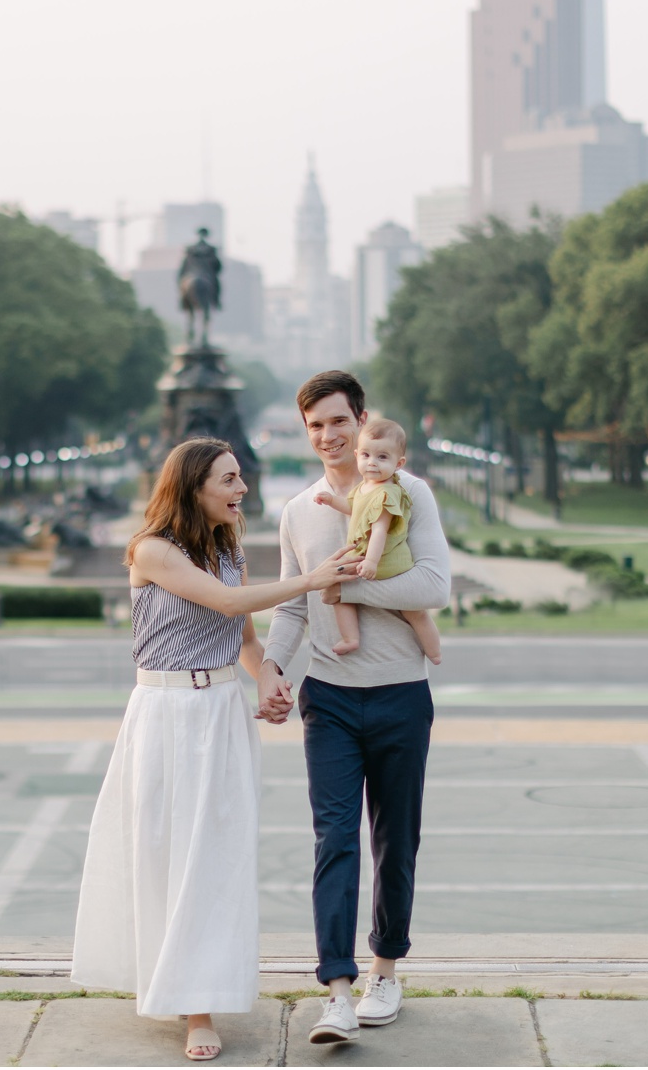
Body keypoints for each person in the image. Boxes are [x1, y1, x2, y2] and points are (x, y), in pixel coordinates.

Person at [71, 437, 357, 1062]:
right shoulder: (151, 550)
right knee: (176, 855)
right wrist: (312, 579)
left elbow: (243, 633)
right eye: (229, 480)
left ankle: (199, 990)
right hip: (167, 715)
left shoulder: (226, 550)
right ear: (193, 486)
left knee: (216, 857)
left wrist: (268, 677)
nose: (241, 488)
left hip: (222, 714)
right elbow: (225, 602)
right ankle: (193, 1008)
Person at [258, 371, 451, 1045]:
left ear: (362, 419)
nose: (329, 436)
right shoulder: (297, 509)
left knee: (395, 840)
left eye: (339, 421)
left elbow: (434, 583)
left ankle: (385, 970)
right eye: (315, 425)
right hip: (331, 700)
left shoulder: (408, 491)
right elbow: (291, 607)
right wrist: (272, 670)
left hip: (401, 693)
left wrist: (344, 587)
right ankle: (336, 989)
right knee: (333, 840)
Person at [312, 416, 444, 664]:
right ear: (357, 455)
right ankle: (351, 637)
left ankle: (434, 652)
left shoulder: (387, 492)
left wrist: (371, 562)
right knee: (339, 591)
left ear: (399, 463)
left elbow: (380, 530)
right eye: (366, 456)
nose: (372, 463)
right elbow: (354, 509)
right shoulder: (364, 488)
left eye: (382, 457)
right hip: (367, 556)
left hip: (384, 560)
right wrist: (331, 501)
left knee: (415, 612)